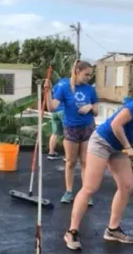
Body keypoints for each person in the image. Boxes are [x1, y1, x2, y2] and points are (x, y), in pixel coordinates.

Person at [63, 85, 133, 251]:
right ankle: (72, 231)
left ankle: (112, 230)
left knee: (126, 186)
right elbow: (116, 124)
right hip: (102, 141)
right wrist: (128, 146)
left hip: (119, 148)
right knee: (90, 188)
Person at [45, 60, 99, 204]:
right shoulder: (64, 87)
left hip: (88, 128)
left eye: (90, 75)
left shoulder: (90, 90)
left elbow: (97, 112)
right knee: (70, 162)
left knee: (85, 162)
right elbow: (51, 108)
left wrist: (90, 106)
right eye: (86, 74)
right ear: (77, 71)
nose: (89, 78)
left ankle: (86, 193)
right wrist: (47, 92)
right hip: (71, 128)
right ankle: (69, 192)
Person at [47, 78, 68, 160]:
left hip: (55, 111)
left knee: (55, 133)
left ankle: (51, 153)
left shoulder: (58, 83)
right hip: (64, 110)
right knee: (67, 134)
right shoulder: (70, 83)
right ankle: (67, 156)